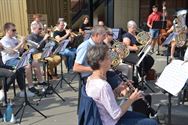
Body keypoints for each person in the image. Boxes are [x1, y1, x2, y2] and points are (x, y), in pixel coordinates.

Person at [85, 44, 158, 125]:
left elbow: (103, 101)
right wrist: (131, 99)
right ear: (100, 62)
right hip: (109, 121)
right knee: (152, 123)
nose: (111, 60)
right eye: (108, 58)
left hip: (106, 116)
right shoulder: (103, 85)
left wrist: (117, 90)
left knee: (142, 116)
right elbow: (116, 114)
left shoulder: (90, 78)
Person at [0, 22, 45, 96]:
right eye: (13, 30)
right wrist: (21, 43)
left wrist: (23, 43)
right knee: (27, 65)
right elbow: (11, 51)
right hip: (9, 60)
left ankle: (41, 82)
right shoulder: (3, 40)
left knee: (35, 62)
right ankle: (30, 87)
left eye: (15, 30)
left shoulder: (14, 39)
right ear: (7, 30)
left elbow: (20, 51)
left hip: (17, 58)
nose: (15, 32)